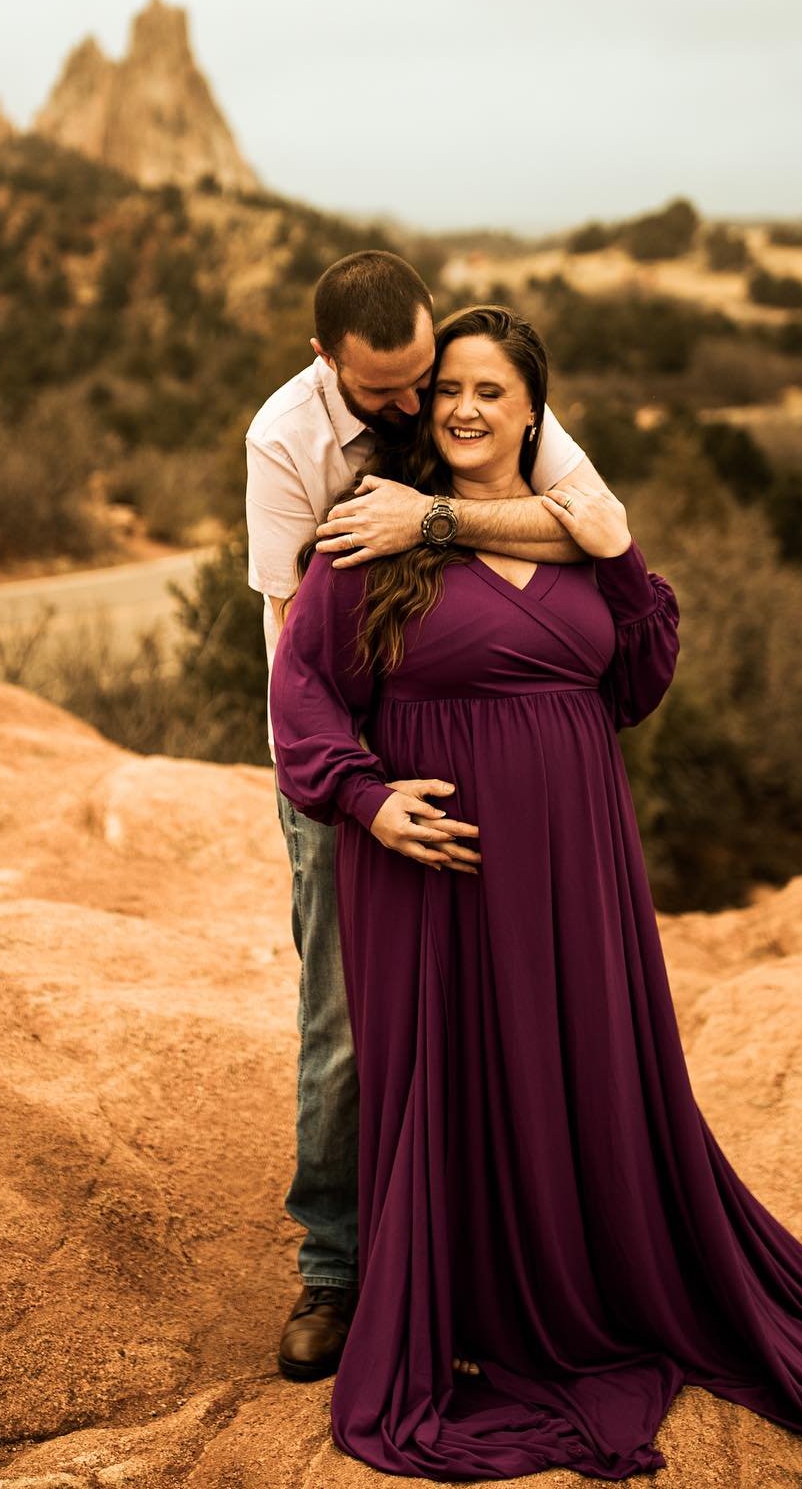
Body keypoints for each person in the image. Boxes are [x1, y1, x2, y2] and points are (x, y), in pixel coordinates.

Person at [268, 303, 802, 1485]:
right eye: (450, 392)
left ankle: (598, 1275)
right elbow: (304, 689)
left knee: (582, 1061)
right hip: (439, 866)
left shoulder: (581, 525)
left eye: (493, 391)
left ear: (535, 408)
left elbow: (638, 673)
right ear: (423, 406)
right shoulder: (371, 535)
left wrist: (619, 551)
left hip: (578, 858)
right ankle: (433, 1287)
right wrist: (370, 799)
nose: (468, 409)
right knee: (454, 1068)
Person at [244, 251, 609, 1380]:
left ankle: (506, 1244)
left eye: (430, 378)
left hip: (469, 776)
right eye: (389, 392)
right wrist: (353, 791)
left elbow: (599, 531)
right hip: (340, 761)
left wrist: (438, 522)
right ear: (325, 362)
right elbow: (291, 633)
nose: (419, 407)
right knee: (348, 1019)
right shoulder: (286, 443)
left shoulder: (461, 397)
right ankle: (337, 1267)